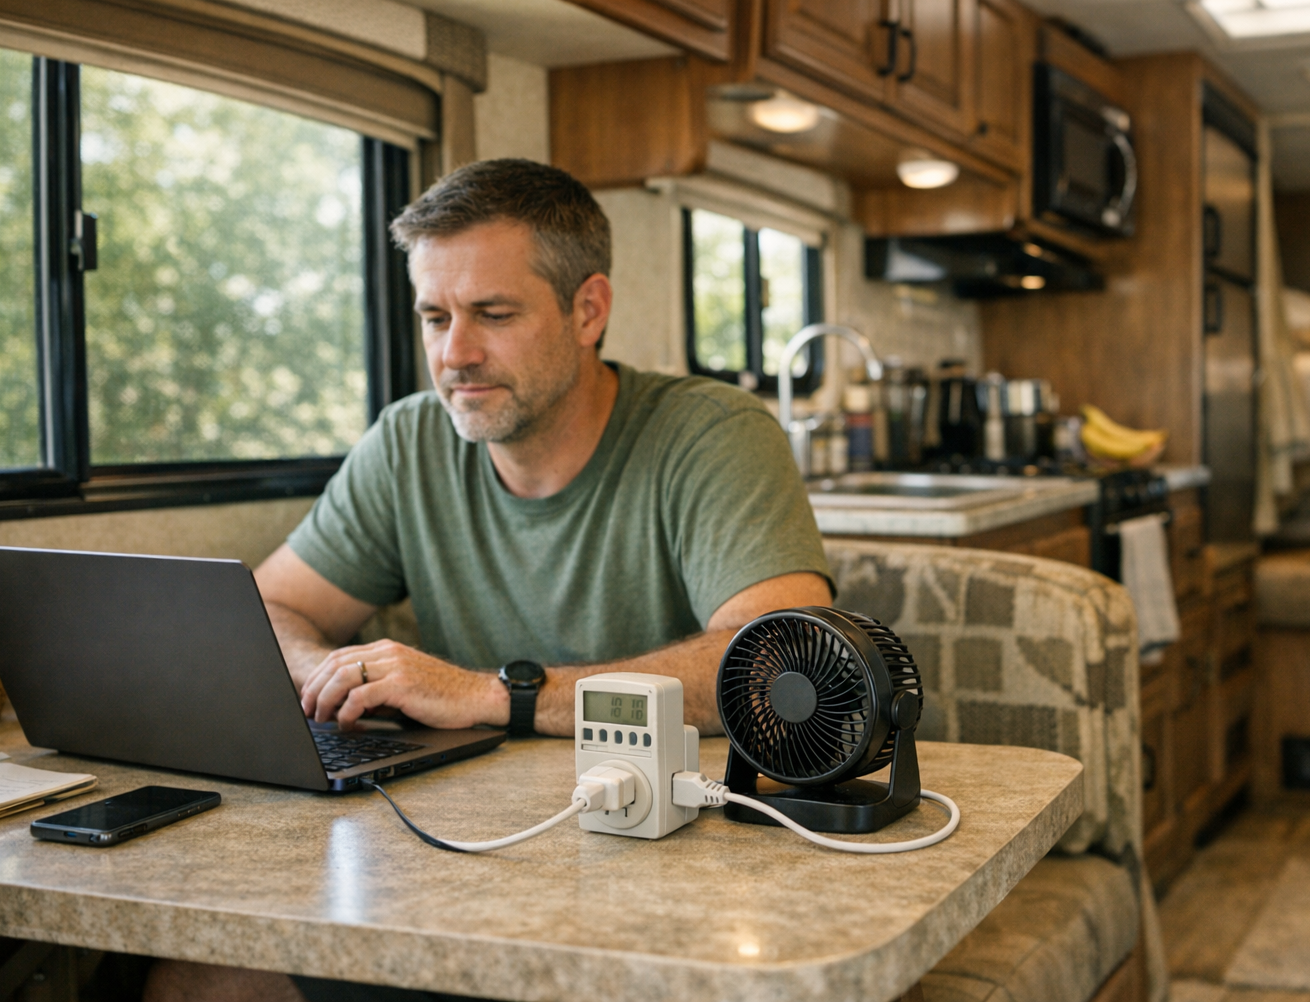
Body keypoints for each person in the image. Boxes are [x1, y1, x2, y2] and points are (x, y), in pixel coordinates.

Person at [144, 159, 833, 1002]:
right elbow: (270, 606)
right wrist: (331, 673)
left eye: (492, 314)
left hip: (668, 856)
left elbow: (782, 666)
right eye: (434, 316)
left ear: (589, 310)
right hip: (454, 861)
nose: (454, 354)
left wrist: (490, 694)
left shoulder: (711, 434)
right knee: (204, 975)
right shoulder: (407, 442)